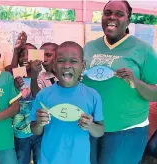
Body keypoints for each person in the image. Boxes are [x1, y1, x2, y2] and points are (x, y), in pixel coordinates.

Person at [82, 1, 157, 164]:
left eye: (119, 14)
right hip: (90, 126)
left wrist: (136, 82)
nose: (112, 17)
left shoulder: (143, 50)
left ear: (128, 19)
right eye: (107, 13)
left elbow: (155, 93)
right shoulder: (89, 47)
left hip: (126, 130)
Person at [30, 41, 104, 164]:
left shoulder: (92, 95)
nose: (66, 65)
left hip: (79, 160)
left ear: (83, 66)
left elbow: (100, 131)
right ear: (54, 66)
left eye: (73, 61)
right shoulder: (43, 95)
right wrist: (39, 123)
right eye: (61, 61)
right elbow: (35, 130)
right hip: (49, 159)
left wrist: (90, 125)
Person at [12, 42, 42, 164]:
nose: (25, 58)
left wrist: (34, 75)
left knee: (39, 159)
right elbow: (12, 69)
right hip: (20, 132)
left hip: (38, 130)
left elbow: (36, 94)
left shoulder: (41, 76)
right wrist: (15, 51)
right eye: (22, 54)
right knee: (21, 159)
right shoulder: (16, 76)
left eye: (29, 55)